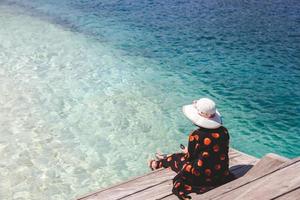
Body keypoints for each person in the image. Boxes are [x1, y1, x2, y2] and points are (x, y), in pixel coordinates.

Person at [148, 98, 234, 200]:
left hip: (201, 176)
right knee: (179, 156)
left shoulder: (196, 135)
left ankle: (156, 164)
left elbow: (190, 158)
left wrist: (187, 152)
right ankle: (163, 158)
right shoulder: (224, 131)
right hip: (220, 173)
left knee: (177, 158)